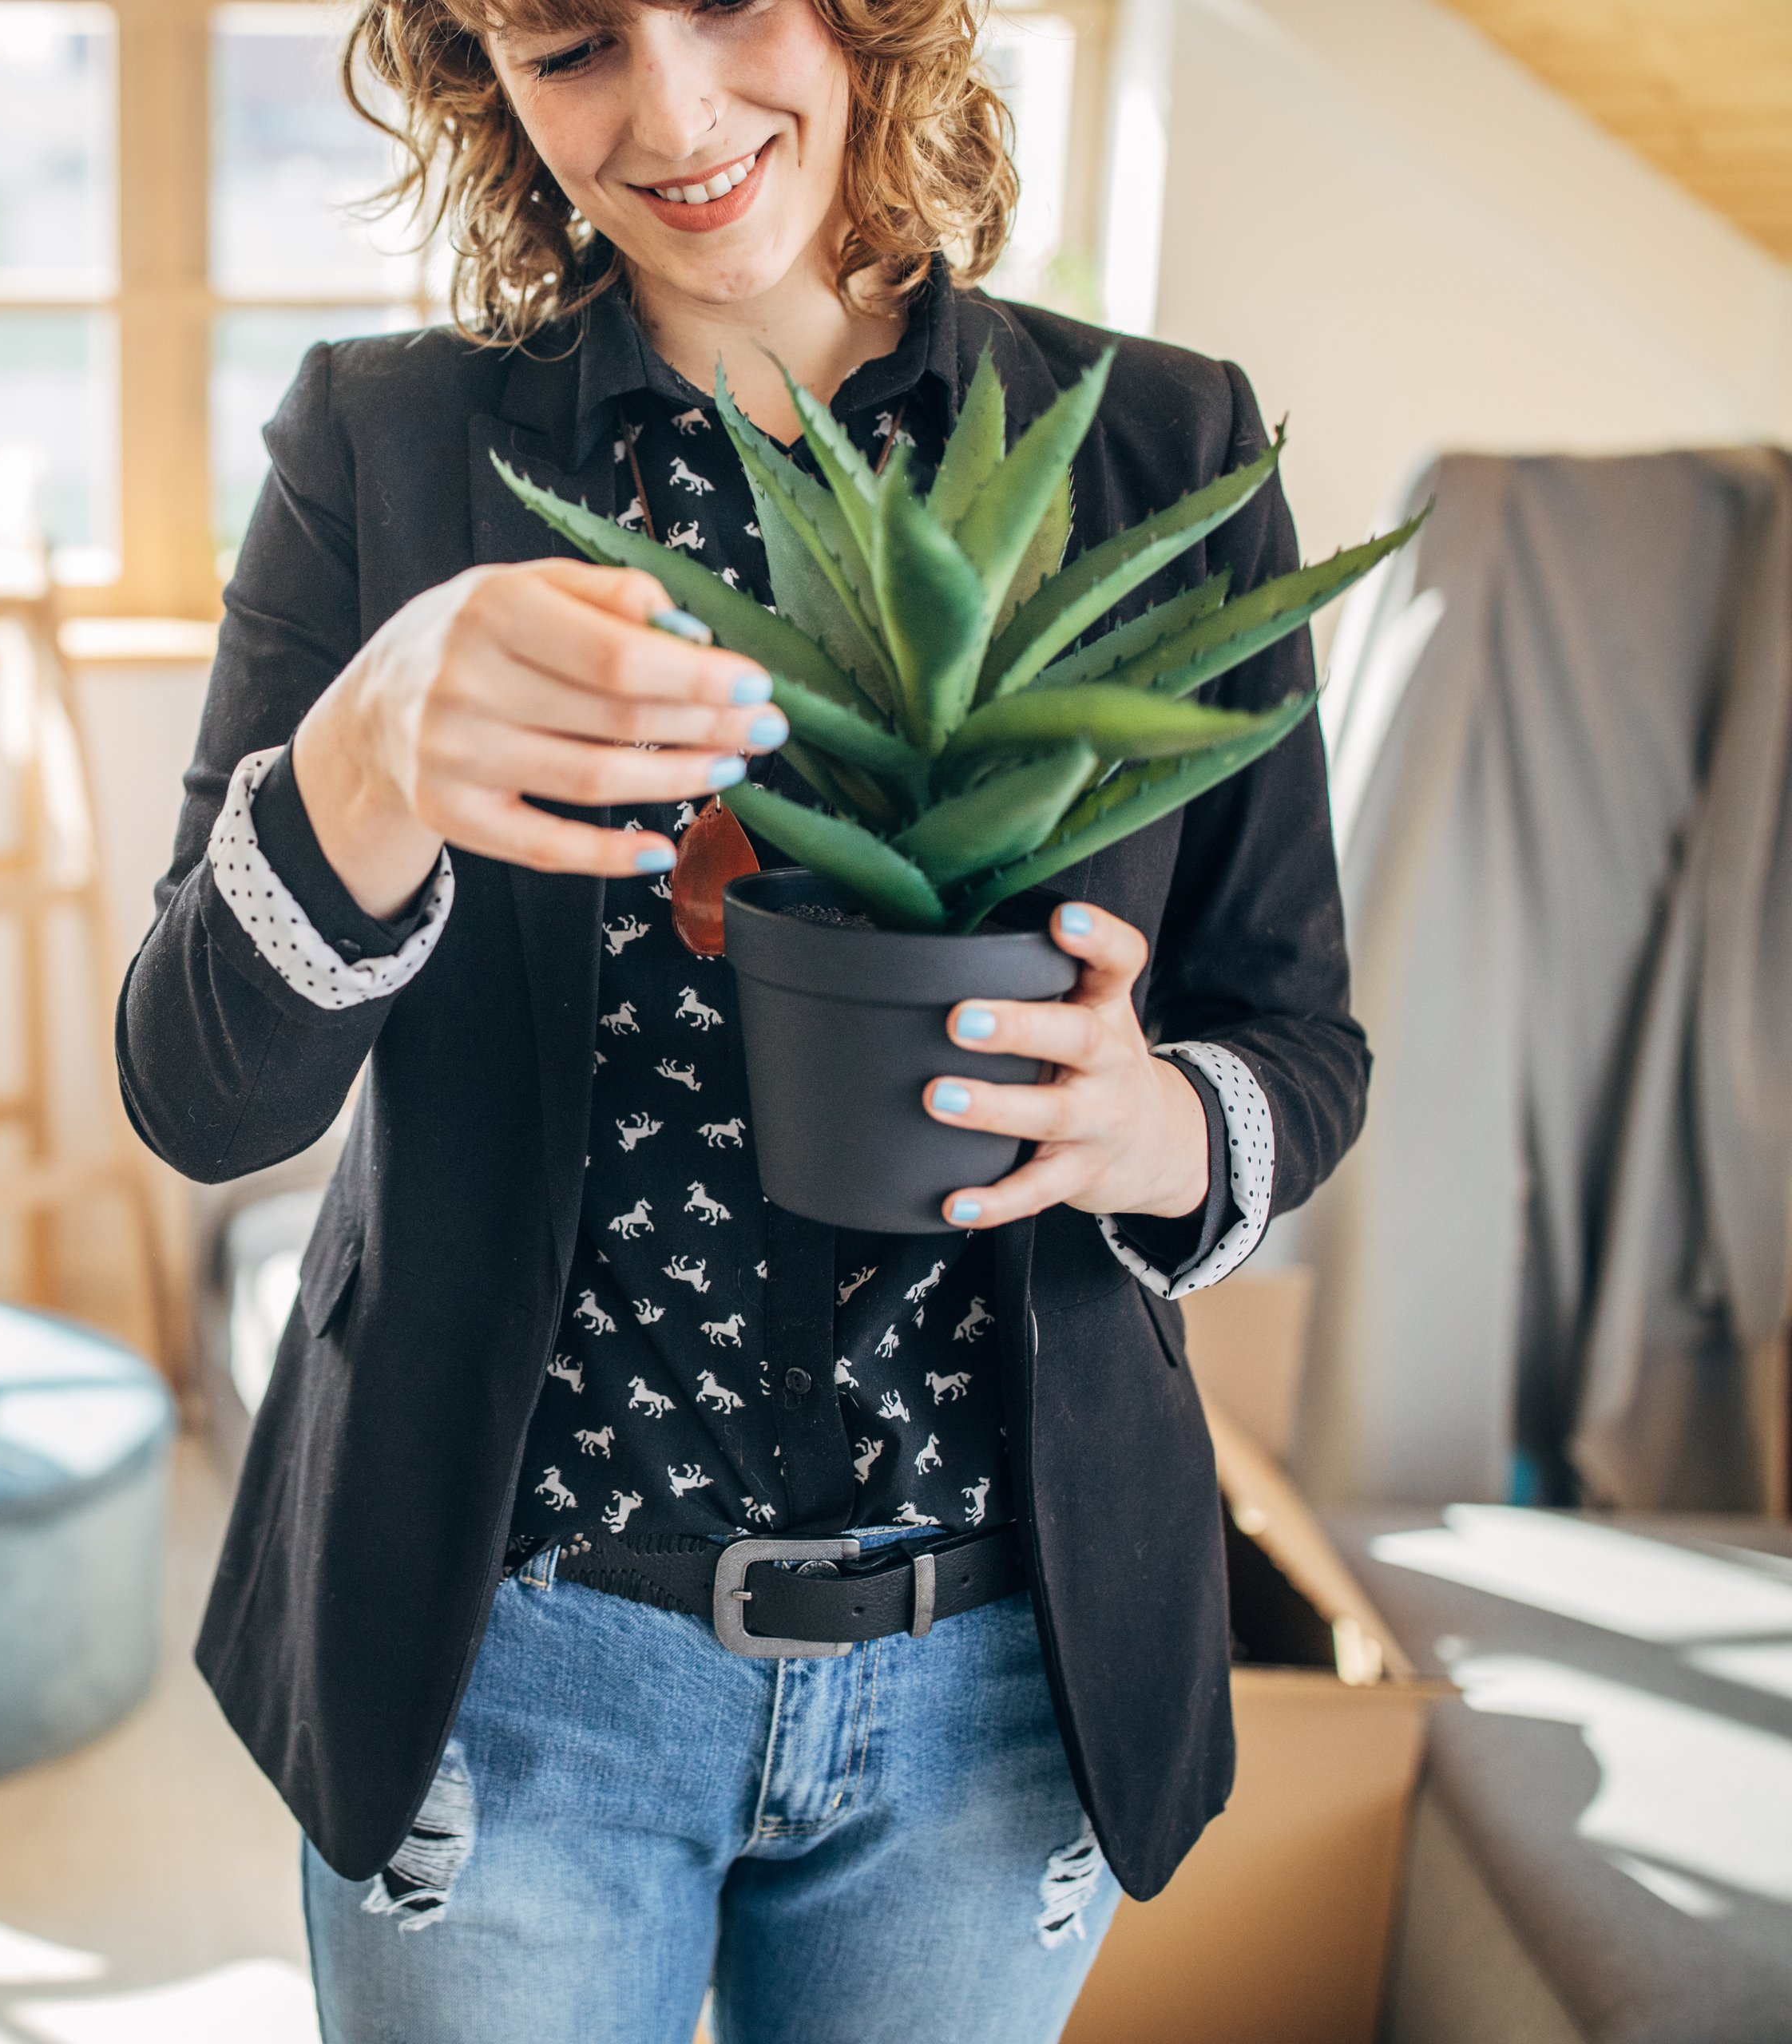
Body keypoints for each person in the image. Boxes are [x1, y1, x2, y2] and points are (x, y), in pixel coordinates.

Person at [117, 0, 1366, 2034]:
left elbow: (1301, 1040)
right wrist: (361, 755)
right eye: (570, 42)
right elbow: (196, 1094)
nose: (673, 113)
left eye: (721, 3)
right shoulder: (394, 447)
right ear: (484, 77)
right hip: (510, 1666)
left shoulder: (1159, 446)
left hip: (1003, 1679)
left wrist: (1156, 1126)